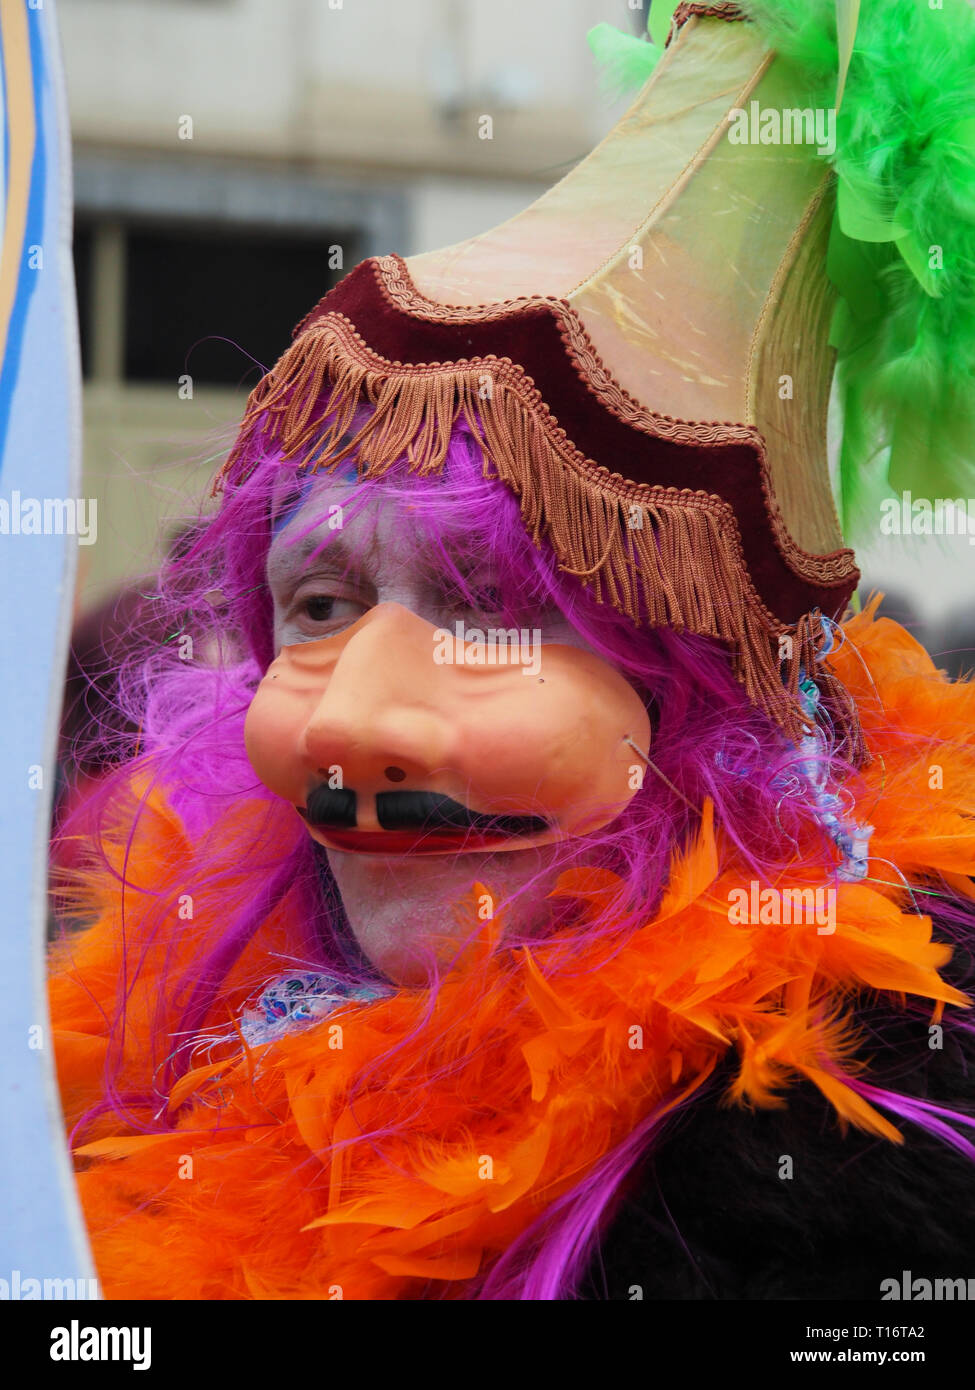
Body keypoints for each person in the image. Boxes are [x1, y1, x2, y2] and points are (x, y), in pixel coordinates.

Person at [50, 0, 975, 1300]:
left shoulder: (832, 1216)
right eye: (319, 605)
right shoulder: (163, 1041)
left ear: (717, 703)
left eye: (490, 610)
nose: (347, 723)